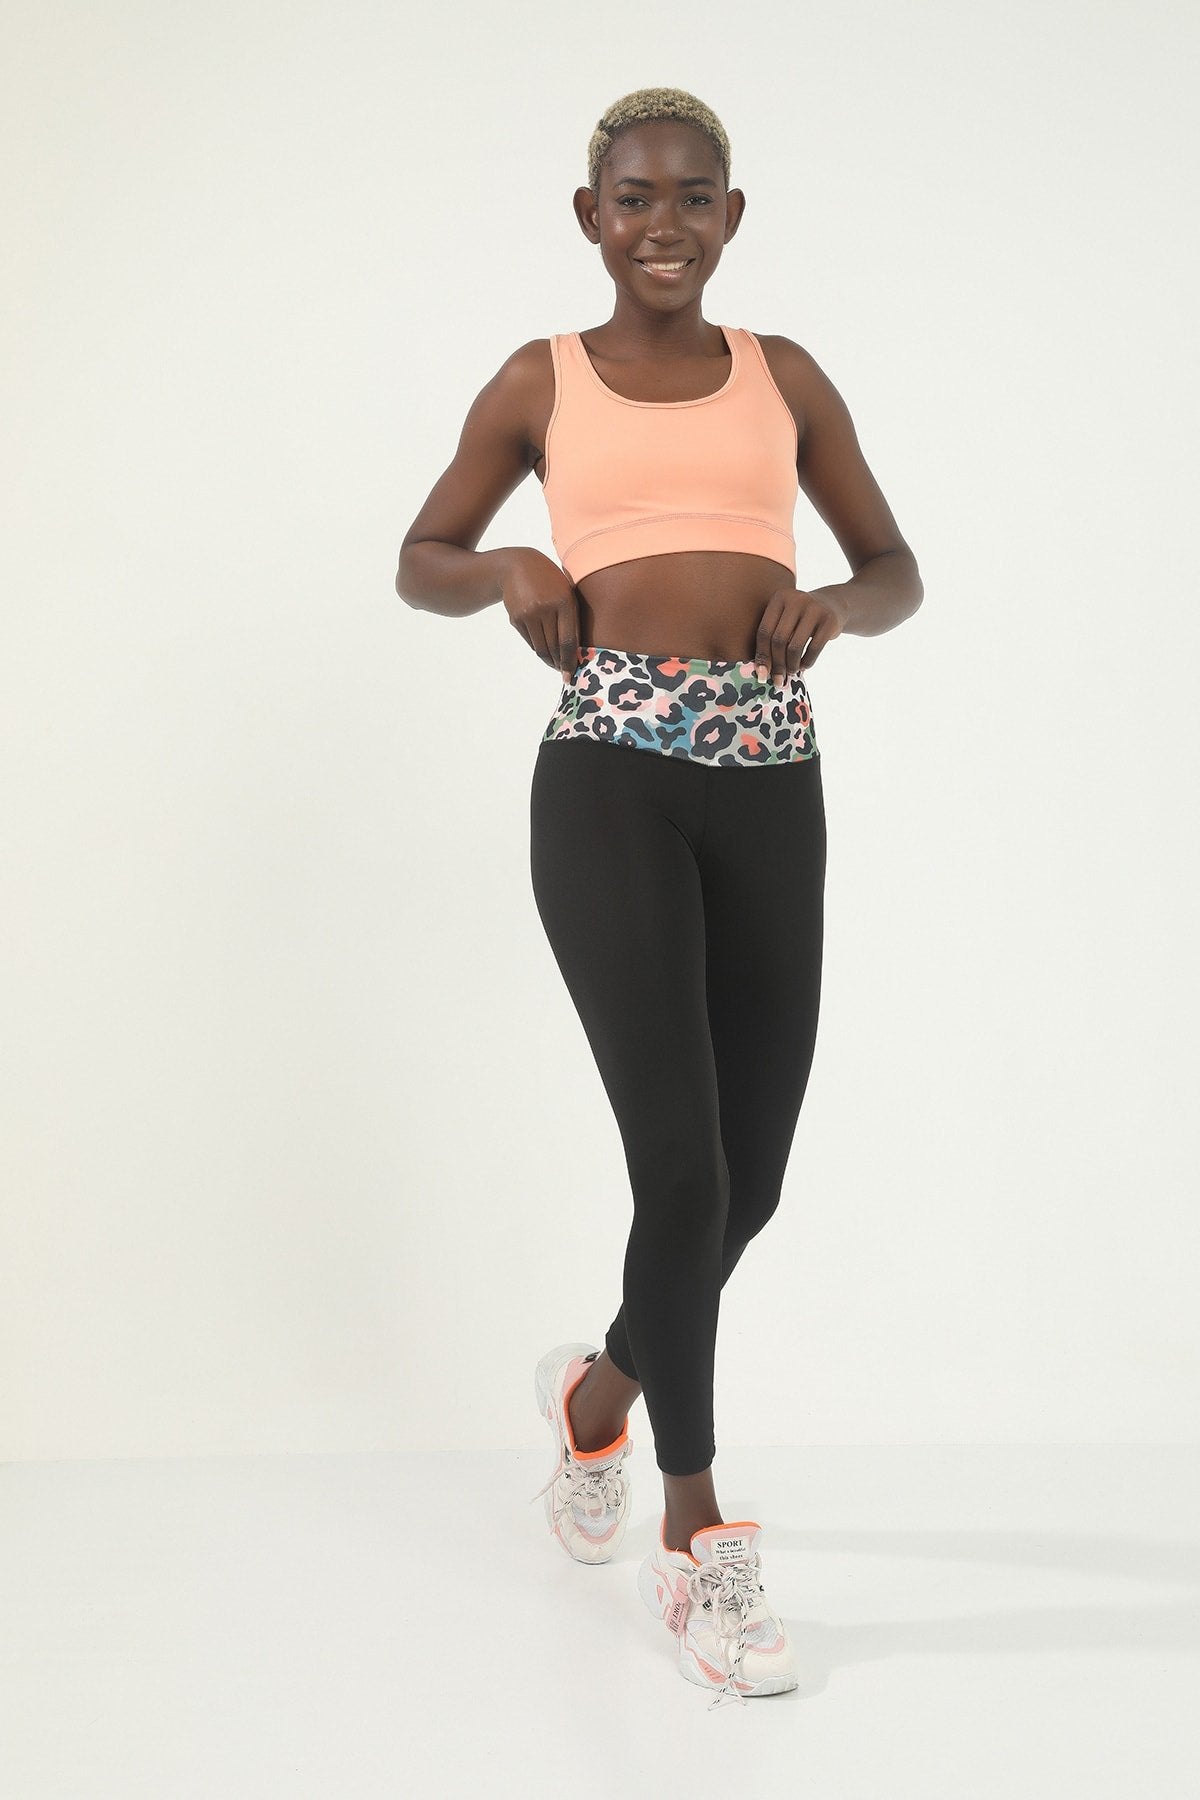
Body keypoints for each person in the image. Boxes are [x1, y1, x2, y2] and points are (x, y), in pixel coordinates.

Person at [395, 86, 923, 1709]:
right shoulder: (538, 380)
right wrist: (510, 567)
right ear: (591, 215)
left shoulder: (787, 375)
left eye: (696, 196)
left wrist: (839, 604)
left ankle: (602, 1392)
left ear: (732, 217)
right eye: (635, 197)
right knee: (681, 1174)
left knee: (745, 1182)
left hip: (770, 773)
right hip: (611, 771)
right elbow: (423, 555)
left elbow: (896, 568)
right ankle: (696, 1539)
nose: (665, 223)